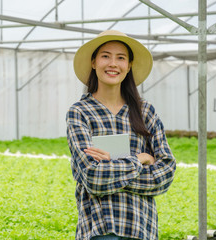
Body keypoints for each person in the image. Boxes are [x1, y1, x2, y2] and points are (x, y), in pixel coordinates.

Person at [66, 30, 176, 240]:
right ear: (93, 62)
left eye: (121, 58)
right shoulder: (80, 112)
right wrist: (139, 159)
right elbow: (93, 177)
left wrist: (110, 169)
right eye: (105, 56)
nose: (113, 64)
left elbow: (166, 172)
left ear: (129, 65)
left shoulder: (146, 112)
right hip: (99, 227)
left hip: (141, 227)